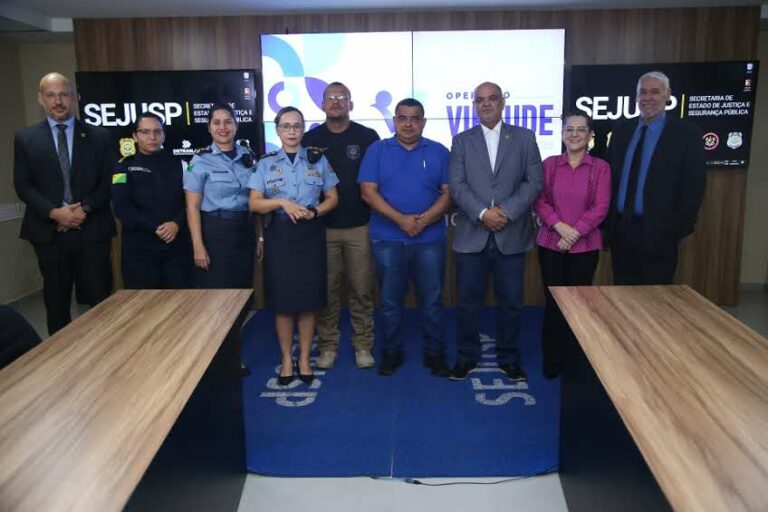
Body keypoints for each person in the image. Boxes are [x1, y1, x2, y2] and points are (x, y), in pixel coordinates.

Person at [448, 81, 543, 382]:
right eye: (480, 100)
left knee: (511, 303)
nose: (486, 104)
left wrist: (505, 212)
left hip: (511, 234)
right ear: (474, 105)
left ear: (502, 103)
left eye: (492, 99)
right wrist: (482, 213)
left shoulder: (525, 137)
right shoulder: (461, 140)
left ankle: (509, 358)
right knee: (467, 303)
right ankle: (467, 357)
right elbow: (457, 185)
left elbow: (534, 181)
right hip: (471, 235)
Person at [13, 72, 116, 335]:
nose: (58, 101)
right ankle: (61, 356)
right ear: (41, 99)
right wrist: (55, 213)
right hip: (49, 233)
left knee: (101, 300)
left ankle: (105, 350)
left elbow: (109, 180)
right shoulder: (25, 139)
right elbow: (23, 185)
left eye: (64, 95)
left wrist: (84, 209)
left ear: (74, 97)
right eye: (51, 95)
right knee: (56, 302)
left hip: (92, 229)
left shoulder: (100, 136)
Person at [358, 98, 451, 377]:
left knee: (432, 301)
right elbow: (368, 192)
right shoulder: (377, 150)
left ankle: (434, 353)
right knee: (389, 301)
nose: (408, 124)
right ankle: (391, 352)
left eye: (414, 118)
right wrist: (401, 220)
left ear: (423, 122)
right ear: (394, 121)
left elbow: (449, 193)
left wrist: (423, 221)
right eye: (402, 118)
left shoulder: (439, 151)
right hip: (387, 239)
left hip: (429, 239)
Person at [249, 107, 339, 385]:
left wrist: (314, 212)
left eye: (297, 126)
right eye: (286, 126)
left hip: (310, 234)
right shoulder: (266, 163)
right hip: (280, 236)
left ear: (303, 129)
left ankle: (304, 359)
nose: (291, 131)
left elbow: (333, 198)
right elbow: (254, 203)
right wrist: (281, 202)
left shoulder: (317, 159)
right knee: (284, 303)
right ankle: (287, 358)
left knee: (309, 303)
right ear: (277, 130)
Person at [302, 82, 380, 370]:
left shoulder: (367, 136)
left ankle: (363, 345)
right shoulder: (310, 138)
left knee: (362, 290)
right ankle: (327, 346)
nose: (336, 102)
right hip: (321, 228)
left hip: (360, 225)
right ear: (322, 104)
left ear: (351, 104)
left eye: (342, 97)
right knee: (327, 291)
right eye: (330, 98)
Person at [604, 71, 706, 285]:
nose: (647, 97)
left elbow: (694, 187)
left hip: (660, 233)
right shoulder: (622, 130)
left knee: (655, 299)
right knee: (622, 296)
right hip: (621, 232)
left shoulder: (687, 134)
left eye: (655, 92)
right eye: (643, 92)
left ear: (667, 95)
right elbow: (610, 177)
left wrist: (675, 230)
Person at [533, 112, 611, 379]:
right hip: (550, 244)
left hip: (585, 248)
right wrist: (560, 227)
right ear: (562, 133)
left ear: (590, 135)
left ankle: (576, 361)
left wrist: (575, 233)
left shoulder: (601, 167)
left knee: (580, 307)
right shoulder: (549, 165)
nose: (574, 134)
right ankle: (552, 361)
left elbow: (601, 206)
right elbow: (540, 201)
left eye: (580, 130)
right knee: (554, 304)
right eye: (569, 129)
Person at [183, 103, 261, 289]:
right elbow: (192, 206)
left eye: (228, 122)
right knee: (218, 293)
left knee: (243, 289)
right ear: (209, 127)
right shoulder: (200, 160)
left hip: (244, 231)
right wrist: (198, 246)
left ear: (236, 125)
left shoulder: (248, 155)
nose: (223, 127)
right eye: (216, 123)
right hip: (215, 234)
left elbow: (256, 199)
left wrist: (260, 237)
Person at [112, 112, 191, 289]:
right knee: (143, 302)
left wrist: (177, 223)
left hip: (176, 247)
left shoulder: (181, 165)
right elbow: (121, 206)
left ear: (163, 135)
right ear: (135, 136)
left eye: (157, 131)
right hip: (139, 250)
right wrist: (154, 227)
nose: (152, 137)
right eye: (145, 132)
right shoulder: (122, 167)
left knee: (180, 301)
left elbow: (190, 202)